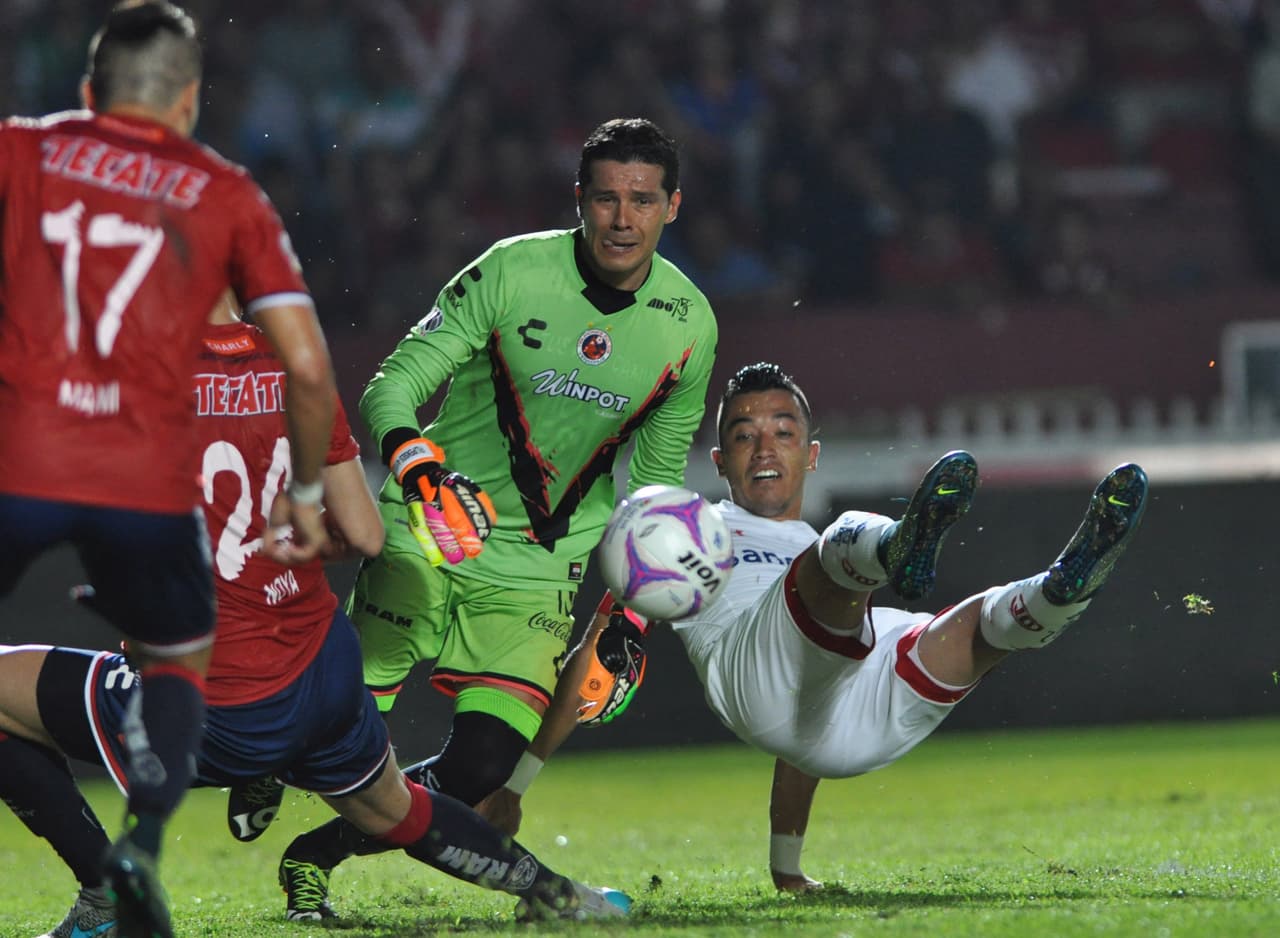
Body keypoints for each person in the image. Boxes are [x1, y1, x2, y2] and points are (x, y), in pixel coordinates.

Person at [0, 295, 630, 938]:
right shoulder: (296, 364)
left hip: (224, 692)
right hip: (322, 670)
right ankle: (562, 895)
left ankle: (107, 898)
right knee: (396, 808)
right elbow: (363, 533)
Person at [274, 116, 718, 918]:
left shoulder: (689, 326)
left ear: (673, 206)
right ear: (578, 199)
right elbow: (392, 388)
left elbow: (653, 497)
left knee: (482, 768)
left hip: (542, 565)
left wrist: (630, 619)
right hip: (435, 522)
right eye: (607, 198)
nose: (623, 219)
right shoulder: (511, 270)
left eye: (643, 200)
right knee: (344, 733)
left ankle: (316, 852)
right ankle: (262, 756)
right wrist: (418, 467)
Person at [484, 361, 1149, 891]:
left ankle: (1061, 588)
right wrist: (514, 786)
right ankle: (899, 545)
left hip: (846, 721)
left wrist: (786, 865)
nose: (764, 448)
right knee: (836, 556)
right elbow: (600, 648)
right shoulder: (683, 531)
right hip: (751, 674)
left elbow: (806, 707)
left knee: (984, 620)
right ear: (719, 461)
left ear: (812, 454)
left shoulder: (810, 553)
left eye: (783, 432)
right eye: (743, 435)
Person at [0, 3, 337, 935]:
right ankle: (136, 855)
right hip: (141, 491)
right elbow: (311, 372)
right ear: (186, 103)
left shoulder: (24, 149)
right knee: (177, 656)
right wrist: (309, 495)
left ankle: (104, 889)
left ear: (87, 92)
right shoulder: (225, 195)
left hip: (34, 455)